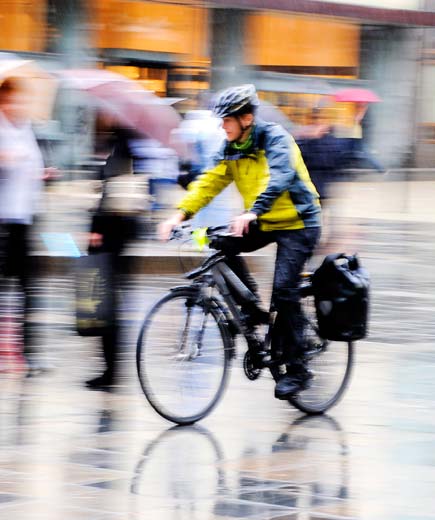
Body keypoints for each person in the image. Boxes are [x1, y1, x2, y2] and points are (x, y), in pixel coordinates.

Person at [160, 84, 321, 398]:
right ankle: (251, 310)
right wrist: (179, 215)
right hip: (264, 220)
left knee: (285, 289)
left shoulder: (275, 139)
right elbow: (209, 181)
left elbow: (280, 177)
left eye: (227, 120)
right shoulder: (231, 147)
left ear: (246, 118)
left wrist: (252, 212)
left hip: (299, 222)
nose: (222, 125)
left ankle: (299, 369)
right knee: (222, 242)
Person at [85, 118, 152, 391]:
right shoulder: (133, 156)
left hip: (110, 243)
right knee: (113, 307)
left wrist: (94, 230)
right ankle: (112, 370)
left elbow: (106, 204)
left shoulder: (117, 157)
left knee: (106, 308)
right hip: (123, 243)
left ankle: (110, 372)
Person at [0, 76, 55, 375]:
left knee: (27, 290)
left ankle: (28, 355)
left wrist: (42, 172)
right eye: (13, 99)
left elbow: (31, 164)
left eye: (22, 99)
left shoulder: (25, 128)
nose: (19, 105)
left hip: (24, 219)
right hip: (2, 221)